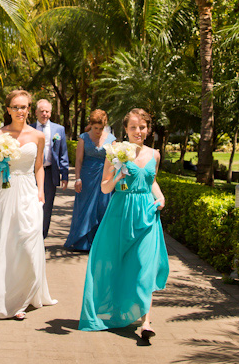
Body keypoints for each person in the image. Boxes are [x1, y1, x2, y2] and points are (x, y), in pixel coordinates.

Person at [78, 108, 169, 341]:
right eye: (133, 127)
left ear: (148, 129)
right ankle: (116, 310)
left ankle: (145, 322)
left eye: (142, 127)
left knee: (144, 266)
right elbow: (105, 187)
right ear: (126, 130)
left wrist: (160, 197)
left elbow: (151, 182)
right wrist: (118, 175)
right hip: (121, 214)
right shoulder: (115, 152)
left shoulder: (155, 155)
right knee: (115, 264)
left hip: (147, 216)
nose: (138, 131)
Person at [0, 89, 57, 320]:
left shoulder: (38, 136)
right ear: (8, 109)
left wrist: (41, 191)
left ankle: (25, 293)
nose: (21, 111)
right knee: (5, 241)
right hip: (4, 190)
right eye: (16, 107)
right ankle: (8, 299)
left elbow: (39, 166)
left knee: (29, 239)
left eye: (24, 107)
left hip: (29, 190)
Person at [64, 109, 114, 252]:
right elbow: (78, 160)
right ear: (90, 125)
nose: (98, 131)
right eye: (95, 128)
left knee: (102, 207)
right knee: (84, 209)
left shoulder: (111, 140)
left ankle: (99, 243)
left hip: (105, 177)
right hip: (86, 177)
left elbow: (114, 162)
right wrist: (77, 178)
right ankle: (82, 242)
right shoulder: (83, 137)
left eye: (100, 128)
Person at [29, 99, 70, 239]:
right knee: (30, 205)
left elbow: (63, 154)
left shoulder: (59, 130)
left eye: (47, 111)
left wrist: (64, 175)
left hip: (50, 173)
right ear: (36, 112)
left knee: (47, 207)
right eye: (42, 111)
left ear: (51, 113)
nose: (44, 114)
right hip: (31, 173)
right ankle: (30, 236)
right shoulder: (29, 129)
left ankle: (41, 237)